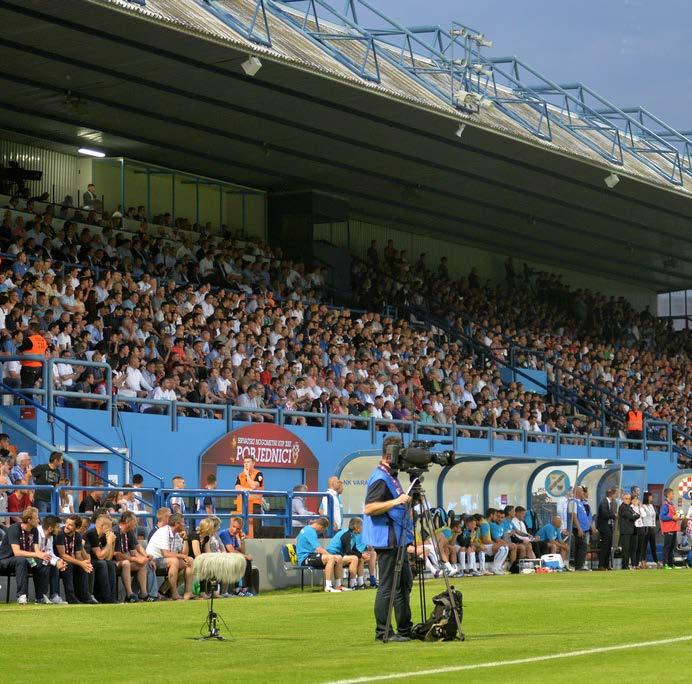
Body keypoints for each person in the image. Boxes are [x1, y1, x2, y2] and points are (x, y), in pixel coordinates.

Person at [362, 436, 413, 642]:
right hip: (387, 538)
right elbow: (369, 508)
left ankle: (404, 629)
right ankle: (383, 631)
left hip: (397, 538)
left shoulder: (390, 476)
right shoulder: (380, 478)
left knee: (404, 583)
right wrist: (397, 501)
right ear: (390, 454)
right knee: (388, 586)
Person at [0, 507, 51, 604]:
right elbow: (17, 552)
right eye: (36, 518)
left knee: (43, 562)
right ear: (29, 520)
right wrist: (36, 554)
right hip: (5, 560)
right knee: (21, 559)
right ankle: (22, 595)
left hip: (24, 560)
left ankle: (40, 597)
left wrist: (44, 556)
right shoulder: (14, 528)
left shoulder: (34, 530)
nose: (38, 520)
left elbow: (36, 551)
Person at [145, 512, 193, 600]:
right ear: (177, 524)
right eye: (183, 522)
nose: (185, 525)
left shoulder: (178, 534)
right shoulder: (164, 532)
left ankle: (188, 593)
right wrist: (182, 556)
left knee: (190, 560)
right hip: (153, 560)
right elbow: (165, 554)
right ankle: (174, 593)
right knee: (174, 561)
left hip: (167, 560)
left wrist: (185, 539)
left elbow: (184, 555)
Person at [295, 516, 348, 593]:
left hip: (311, 555)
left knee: (339, 558)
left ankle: (338, 586)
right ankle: (328, 586)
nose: (322, 531)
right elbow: (319, 549)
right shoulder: (310, 531)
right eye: (323, 529)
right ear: (320, 526)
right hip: (305, 558)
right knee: (331, 558)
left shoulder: (307, 529)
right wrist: (331, 556)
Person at [55, 514, 96, 604]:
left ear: (77, 527)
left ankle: (85, 596)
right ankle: (70, 597)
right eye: (66, 523)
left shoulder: (77, 536)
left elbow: (78, 556)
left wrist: (84, 564)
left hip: (70, 560)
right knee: (68, 565)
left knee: (85, 567)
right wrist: (81, 563)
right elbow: (62, 555)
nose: (66, 526)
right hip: (57, 561)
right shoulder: (60, 533)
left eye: (70, 525)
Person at [114, 511, 150, 602]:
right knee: (126, 563)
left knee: (142, 565)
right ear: (127, 521)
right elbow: (117, 555)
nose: (136, 523)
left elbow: (134, 551)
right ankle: (129, 595)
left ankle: (143, 594)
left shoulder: (129, 532)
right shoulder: (116, 532)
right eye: (134, 521)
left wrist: (144, 558)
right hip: (113, 561)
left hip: (124, 559)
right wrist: (135, 559)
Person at [220, 516, 258, 596]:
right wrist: (245, 556)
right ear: (230, 525)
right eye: (233, 527)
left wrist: (242, 540)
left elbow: (241, 551)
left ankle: (245, 588)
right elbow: (232, 551)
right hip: (223, 559)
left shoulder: (234, 536)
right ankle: (239, 589)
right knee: (244, 560)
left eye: (237, 529)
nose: (235, 530)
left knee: (246, 560)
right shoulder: (224, 534)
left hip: (231, 559)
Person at [85, 514, 118, 603]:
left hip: (99, 561)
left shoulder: (104, 536)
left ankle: (112, 597)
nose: (111, 529)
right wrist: (109, 542)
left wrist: (111, 543)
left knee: (110, 564)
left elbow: (108, 557)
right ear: (103, 526)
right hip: (88, 561)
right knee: (102, 563)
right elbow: (100, 556)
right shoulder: (92, 534)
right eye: (109, 527)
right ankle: (105, 597)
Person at [36, 514, 68, 604]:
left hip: (43, 559)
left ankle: (54, 595)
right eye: (57, 527)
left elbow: (50, 552)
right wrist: (54, 561)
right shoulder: (36, 533)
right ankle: (41, 596)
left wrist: (59, 561)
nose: (59, 529)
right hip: (31, 559)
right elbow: (37, 553)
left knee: (55, 564)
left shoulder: (50, 536)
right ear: (50, 528)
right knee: (46, 562)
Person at [325, 516, 363, 589]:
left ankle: (361, 583)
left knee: (360, 558)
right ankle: (352, 585)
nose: (363, 529)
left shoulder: (353, 535)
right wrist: (360, 555)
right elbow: (348, 551)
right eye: (362, 526)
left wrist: (361, 555)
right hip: (333, 555)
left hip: (340, 555)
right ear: (356, 527)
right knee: (354, 558)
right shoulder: (346, 534)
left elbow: (354, 549)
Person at [235, 455, 264, 538]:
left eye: (248, 462)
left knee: (256, 529)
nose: (246, 464)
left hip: (255, 505)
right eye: (244, 462)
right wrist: (248, 490)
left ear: (253, 463)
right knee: (241, 527)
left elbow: (254, 486)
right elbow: (237, 488)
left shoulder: (258, 474)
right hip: (242, 505)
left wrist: (247, 475)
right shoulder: (240, 475)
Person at [569, 486, 596, 571]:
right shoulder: (573, 502)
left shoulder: (580, 502)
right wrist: (579, 528)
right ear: (577, 492)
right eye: (581, 492)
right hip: (578, 528)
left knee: (582, 547)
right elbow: (574, 516)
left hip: (584, 528)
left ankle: (579, 565)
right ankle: (579, 566)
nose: (583, 493)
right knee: (582, 546)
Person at [596, 488, 618, 570]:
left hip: (609, 526)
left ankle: (606, 565)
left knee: (608, 546)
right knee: (605, 546)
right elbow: (605, 514)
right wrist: (614, 515)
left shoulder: (609, 502)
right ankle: (601, 565)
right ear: (611, 495)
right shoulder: (604, 502)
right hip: (604, 527)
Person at [660, 488, 681, 569]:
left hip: (673, 528)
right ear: (668, 494)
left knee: (672, 546)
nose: (673, 495)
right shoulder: (665, 504)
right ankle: (665, 564)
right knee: (667, 546)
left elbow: (673, 516)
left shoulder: (671, 504)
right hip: (668, 529)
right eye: (672, 493)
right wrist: (673, 517)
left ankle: (671, 564)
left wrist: (678, 517)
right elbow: (662, 517)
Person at [618, 492, 639, 570]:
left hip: (631, 530)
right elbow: (631, 516)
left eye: (629, 499)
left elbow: (637, 515)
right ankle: (624, 565)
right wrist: (634, 516)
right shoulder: (622, 507)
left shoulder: (629, 507)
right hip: (625, 531)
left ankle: (628, 564)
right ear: (623, 499)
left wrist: (634, 516)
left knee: (630, 549)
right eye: (626, 498)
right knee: (625, 549)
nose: (628, 500)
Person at [640, 492, 658, 568]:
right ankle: (643, 561)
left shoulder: (651, 506)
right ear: (647, 497)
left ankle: (656, 561)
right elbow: (643, 516)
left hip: (652, 527)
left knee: (653, 546)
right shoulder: (643, 506)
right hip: (645, 527)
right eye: (650, 497)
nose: (652, 498)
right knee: (644, 546)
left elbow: (654, 516)